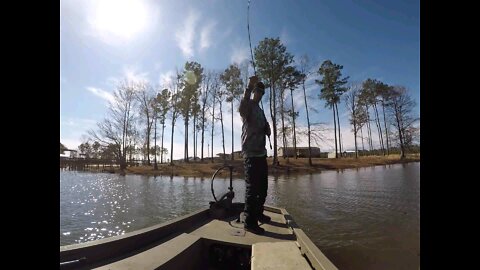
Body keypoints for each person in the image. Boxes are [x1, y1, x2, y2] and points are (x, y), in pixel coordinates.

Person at [239, 76, 271, 234]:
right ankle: (249, 223)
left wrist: (267, 128)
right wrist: (249, 86)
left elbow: (266, 129)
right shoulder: (249, 106)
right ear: (253, 92)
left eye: (262, 92)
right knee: (252, 189)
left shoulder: (261, 111)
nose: (259, 94)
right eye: (257, 91)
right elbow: (242, 109)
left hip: (261, 154)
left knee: (263, 188)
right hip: (250, 154)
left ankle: (258, 214)